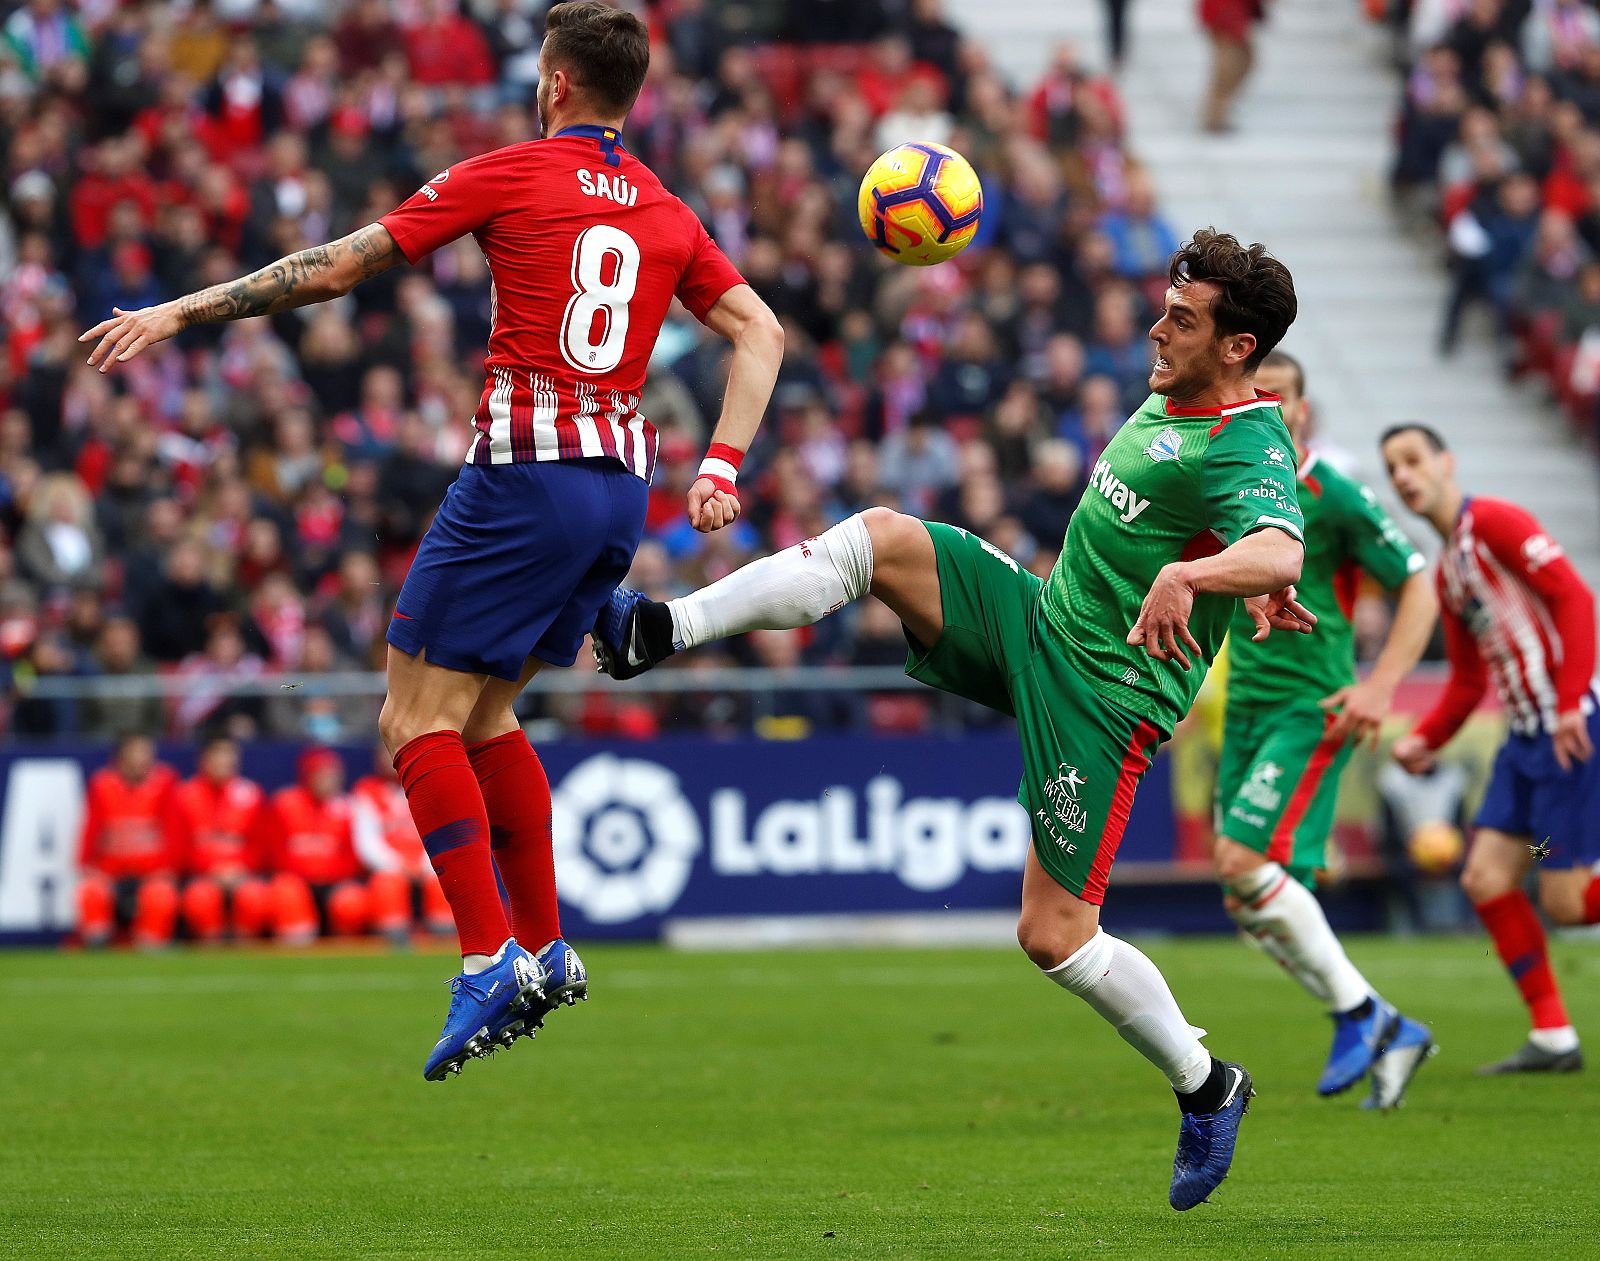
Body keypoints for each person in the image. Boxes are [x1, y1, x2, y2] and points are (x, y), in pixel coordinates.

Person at [79, 2, 783, 1081]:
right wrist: (722, 465)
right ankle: (546, 943)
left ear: (555, 84)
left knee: (411, 716)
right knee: (489, 712)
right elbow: (760, 330)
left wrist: (179, 311)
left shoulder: (509, 172)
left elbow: (333, 268)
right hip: (618, 492)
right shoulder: (664, 207)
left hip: (524, 479)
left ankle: (486, 952)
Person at [595, 230, 1315, 1211]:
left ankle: (1207, 1082)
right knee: (883, 538)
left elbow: (1276, 546)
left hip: (1106, 702)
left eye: (1182, 320)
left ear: (1237, 348)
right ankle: (659, 627)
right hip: (1041, 626)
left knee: (1053, 934)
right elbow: (1238, 543)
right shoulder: (1174, 392)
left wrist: (1205, 574)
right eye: (1165, 306)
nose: (1157, 327)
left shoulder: (1247, 440)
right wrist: (1224, 568)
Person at [1212, 352, 1440, 1111]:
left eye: (1277, 400)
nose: (1267, 412)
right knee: (1252, 902)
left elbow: (1417, 581)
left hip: (1310, 706)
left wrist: (1379, 686)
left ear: (1303, 412)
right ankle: (1392, 1024)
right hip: (1246, 706)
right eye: (1254, 400)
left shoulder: (1331, 495)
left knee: (1242, 860)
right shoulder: (1234, 489)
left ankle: (1362, 1014)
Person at [1383, 423, 1600, 1074]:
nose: (1403, 475)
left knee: (1565, 901)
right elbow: (1470, 680)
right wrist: (1425, 740)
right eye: (1392, 467)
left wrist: (1567, 702)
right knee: (1485, 876)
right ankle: (1554, 1036)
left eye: (1414, 460)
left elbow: (1575, 596)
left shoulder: (1497, 521)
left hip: (1573, 730)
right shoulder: (1449, 569)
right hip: (1524, 742)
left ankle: (1554, 1033)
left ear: (1447, 462)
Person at [77, 734, 183, 949]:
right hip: (111, 871)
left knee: (161, 894)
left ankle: (149, 943)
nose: (141, 759)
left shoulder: (165, 782)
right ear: (120, 757)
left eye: (146, 752)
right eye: (135, 752)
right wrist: (87, 864)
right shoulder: (102, 784)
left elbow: (173, 829)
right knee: (91, 890)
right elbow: (91, 826)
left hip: (152, 872)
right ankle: (97, 942)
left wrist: (169, 867)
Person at [259, 747, 367, 946]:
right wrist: (303, 873)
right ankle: (296, 952)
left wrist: (331, 876)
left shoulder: (348, 807)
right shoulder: (284, 803)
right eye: (323, 774)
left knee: (352, 901)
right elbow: (273, 851)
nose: (330, 779)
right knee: (287, 891)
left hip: (335, 883)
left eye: (333, 774)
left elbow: (354, 855)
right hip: (296, 880)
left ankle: (346, 954)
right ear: (308, 775)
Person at [173, 735, 271, 943]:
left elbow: (262, 846)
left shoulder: (251, 793)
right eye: (217, 753)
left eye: (229, 753)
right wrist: (210, 870)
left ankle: (246, 951)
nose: (224, 760)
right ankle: (210, 948)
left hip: (243, 877)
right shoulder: (184, 794)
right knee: (201, 898)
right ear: (203, 759)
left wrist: (242, 869)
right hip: (200, 877)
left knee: (254, 896)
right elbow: (178, 847)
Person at [351, 745, 454, 943]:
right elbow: (366, 840)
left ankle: (444, 944)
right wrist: (398, 865)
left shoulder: (425, 785)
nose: (390, 758)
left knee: (442, 880)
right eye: (385, 753)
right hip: (390, 869)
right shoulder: (367, 791)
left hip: (427, 865)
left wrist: (425, 864)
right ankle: (395, 942)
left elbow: (440, 830)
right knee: (387, 885)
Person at [1199, 0, 1267, 133]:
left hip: (1233, 12)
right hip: (1224, 12)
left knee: (1243, 59)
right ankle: (1215, 113)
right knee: (1229, 64)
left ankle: (1217, 110)